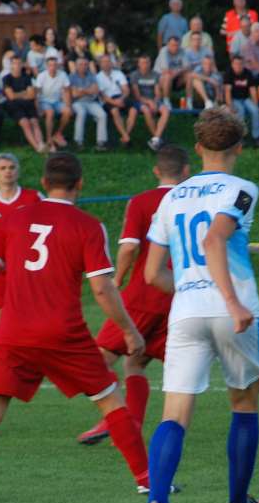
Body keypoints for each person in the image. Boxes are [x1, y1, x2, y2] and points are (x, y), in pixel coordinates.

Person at [0, 152, 151, 503]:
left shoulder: (14, 219)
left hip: (14, 332)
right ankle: (147, 481)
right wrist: (130, 330)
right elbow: (102, 288)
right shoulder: (89, 226)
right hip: (64, 333)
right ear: (80, 184)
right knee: (109, 402)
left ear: (43, 183)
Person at [141, 106, 259, 503]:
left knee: (174, 414)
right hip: (234, 310)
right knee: (244, 404)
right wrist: (230, 302)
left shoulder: (171, 197)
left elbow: (152, 273)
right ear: (238, 147)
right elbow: (215, 237)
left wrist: (191, 291)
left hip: (187, 311)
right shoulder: (243, 188)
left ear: (197, 148)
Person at [77, 145, 190, 445]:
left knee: (96, 363)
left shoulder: (141, 202)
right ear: (187, 171)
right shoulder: (195, 200)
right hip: (180, 295)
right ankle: (134, 425)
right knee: (136, 362)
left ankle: (115, 419)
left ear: (156, 171)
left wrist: (116, 279)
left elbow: (129, 246)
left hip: (145, 294)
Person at [3, 56, 48, 153]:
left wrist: (17, 94)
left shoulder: (26, 77)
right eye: (15, 63)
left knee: (34, 122)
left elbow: (32, 95)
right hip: (14, 105)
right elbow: (11, 97)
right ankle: (37, 148)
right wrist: (24, 93)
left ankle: (41, 144)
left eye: (19, 63)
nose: (17, 65)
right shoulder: (7, 79)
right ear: (11, 65)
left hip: (28, 104)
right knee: (25, 123)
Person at [130, 55, 171, 151]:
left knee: (166, 111)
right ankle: (157, 139)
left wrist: (155, 102)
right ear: (138, 64)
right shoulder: (134, 75)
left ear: (150, 63)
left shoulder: (155, 74)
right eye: (143, 63)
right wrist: (149, 102)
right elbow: (137, 96)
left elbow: (157, 92)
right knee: (146, 110)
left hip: (153, 100)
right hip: (140, 102)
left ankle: (155, 139)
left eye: (147, 62)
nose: (145, 65)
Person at [97, 54, 137, 148]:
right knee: (115, 111)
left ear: (111, 63)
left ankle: (125, 136)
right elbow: (103, 96)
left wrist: (121, 99)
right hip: (108, 100)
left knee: (134, 110)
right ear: (100, 64)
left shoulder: (118, 73)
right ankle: (126, 137)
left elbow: (126, 90)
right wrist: (115, 103)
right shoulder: (98, 77)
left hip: (121, 97)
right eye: (104, 62)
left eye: (108, 61)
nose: (106, 64)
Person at [69, 57, 108, 150]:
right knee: (81, 113)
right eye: (80, 64)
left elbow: (95, 90)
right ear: (76, 66)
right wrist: (88, 90)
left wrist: (81, 90)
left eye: (85, 64)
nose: (83, 66)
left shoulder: (92, 75)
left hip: (91, 102)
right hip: (77, 103)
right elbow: (74, 94)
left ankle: (101, 143)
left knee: (102, 115)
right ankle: (78, 142)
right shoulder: (71, 76)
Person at [35, 56, 73, 150]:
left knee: (68, 111)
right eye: (50, 65)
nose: (53, 67)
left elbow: (67, 91)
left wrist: (68, 105)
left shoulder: (63, 74)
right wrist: (38, 108)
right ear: (47, 66)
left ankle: (57, 134)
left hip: (57, 101)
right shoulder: (41, 76)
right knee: (50, 112)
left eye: (55, 65)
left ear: (58, 66)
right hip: (44, 101)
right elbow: (37, 94)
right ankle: (48, 139)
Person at [224, 55, 259, 145]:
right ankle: (240, 137)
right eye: (236, 64)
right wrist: (230, 105)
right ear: (232, 64)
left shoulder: (248, 73)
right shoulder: (229, 73)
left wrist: (255, 103)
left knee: (256, 110)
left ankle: (257, 137)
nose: (238, 66)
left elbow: (252, 89)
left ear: (243, 64)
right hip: (234, 99)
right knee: (240, 111)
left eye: (240, 64)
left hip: (245, 99)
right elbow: (227, 91)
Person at [153, 37, 188, 109]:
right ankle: (166, 101)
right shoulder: (163, 51)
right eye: (173, 45)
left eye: (177, 45)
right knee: (167, 76)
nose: (175, 47)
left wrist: (177, 72)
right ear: (168, 44)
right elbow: (165, 70)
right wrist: (179, 71)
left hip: (175, 77)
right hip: (159, 78)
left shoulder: (182, 50)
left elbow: (187, 67)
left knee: (189, 76)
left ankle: (189, 102)